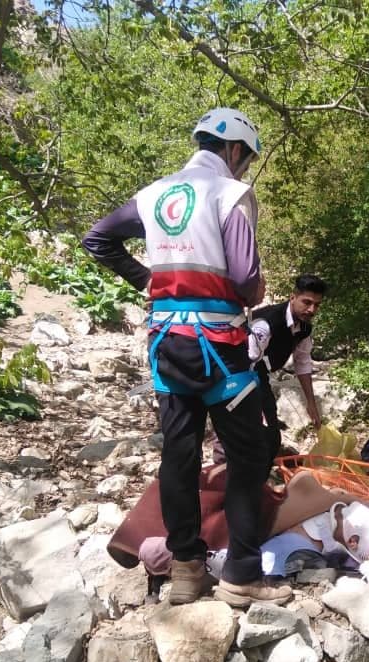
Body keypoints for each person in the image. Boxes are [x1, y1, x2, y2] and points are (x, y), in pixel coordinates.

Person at [82, 107, 292, 608]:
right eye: (245, 159)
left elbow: (98, 239)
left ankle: (185, 569)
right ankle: (241, 573)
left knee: (178, 456)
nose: (244, 169)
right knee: (250, 454)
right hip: (220, 348)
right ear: (235, 150)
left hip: (167, 347)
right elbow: (244, 279)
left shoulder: (154, 195)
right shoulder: (231, 195)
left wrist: (149, 282)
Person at [134, 468, 369, 597]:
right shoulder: (318, 534)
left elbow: (304, 485)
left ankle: (166, 558)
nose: (339, 508)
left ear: (351, 539)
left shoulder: (302, 540)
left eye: (340, 511)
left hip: (223, 543)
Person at [249, 274, 327, 463]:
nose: (311, 310)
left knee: (271, 438)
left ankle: (257, 483)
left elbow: (302, 362)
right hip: (241, 374)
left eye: (316, 305)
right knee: (249, 433)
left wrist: (311, 403)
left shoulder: (305, 328)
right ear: (293, 297)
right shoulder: (266, 323)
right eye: (306, 302)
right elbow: (246, 361)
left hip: (261, 374)